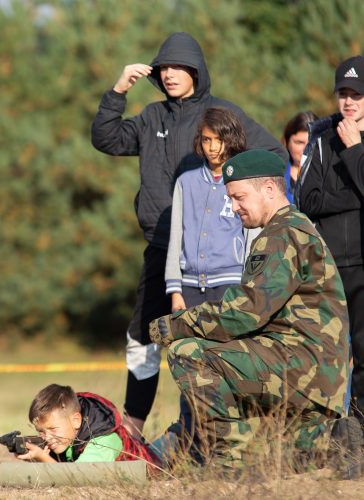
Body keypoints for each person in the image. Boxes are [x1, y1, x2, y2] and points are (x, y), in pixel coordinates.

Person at [91, 31, 288, 438]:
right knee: (143, 335)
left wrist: (234, 198)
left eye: (178, 67)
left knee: (219, 341)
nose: (169, 75)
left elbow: (274, 155)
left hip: (217, 260)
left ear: (196, 71)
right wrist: (118, 90)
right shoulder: (150, 117)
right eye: (163, 68)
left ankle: (229, 429)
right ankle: (133, 426)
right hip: (162, 246)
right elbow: (106, 138)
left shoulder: (220, 113)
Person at [149, 149, 356, 472]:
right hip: (314, 375)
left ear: (270, 190)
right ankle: (333, 441)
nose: (233, 208)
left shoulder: (281, 235)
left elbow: (243, 314)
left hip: (303, 371)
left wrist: (177, 325)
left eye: (239, 197)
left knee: (187, 352)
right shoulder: (295, 227)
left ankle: (230, 463)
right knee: (288, 460)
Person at [165, 107, 258, 435]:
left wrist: (250, 286)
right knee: (189, 368)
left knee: (228, 366)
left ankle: (233, 440)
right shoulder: (186, 182)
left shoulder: (243, 181)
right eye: (206, 140)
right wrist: (175, 290)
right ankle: (192, 440)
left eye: (219, 140)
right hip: (190, 289)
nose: (213, 147)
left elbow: (251, 237)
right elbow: (175, 236)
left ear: (231, 140)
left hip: (229, 287)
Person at [299, 55, 364, 431]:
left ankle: (359, 428)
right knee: (327, 355)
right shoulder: (321, 138)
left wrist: (355, 149)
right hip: (331, 266)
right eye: (343, 93)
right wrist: (354, 197)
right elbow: (308, 199)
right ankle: (325, 434)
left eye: (357, 94)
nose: (349, 101)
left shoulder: (355, 140)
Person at [16, 384, 159, 464]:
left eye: (52, 429)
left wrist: (44, 458)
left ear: (76, 421)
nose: (47, 438)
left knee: (176, 441)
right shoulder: (70, 435)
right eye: (41, 432)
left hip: (157, 462)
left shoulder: (102, 441)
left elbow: (77, 476)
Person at [281, 111, 318, 203]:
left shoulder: (332, 177)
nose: (306, 149)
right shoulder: (275, 174)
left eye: (312, 143)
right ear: (286, 142)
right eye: (299, 142)